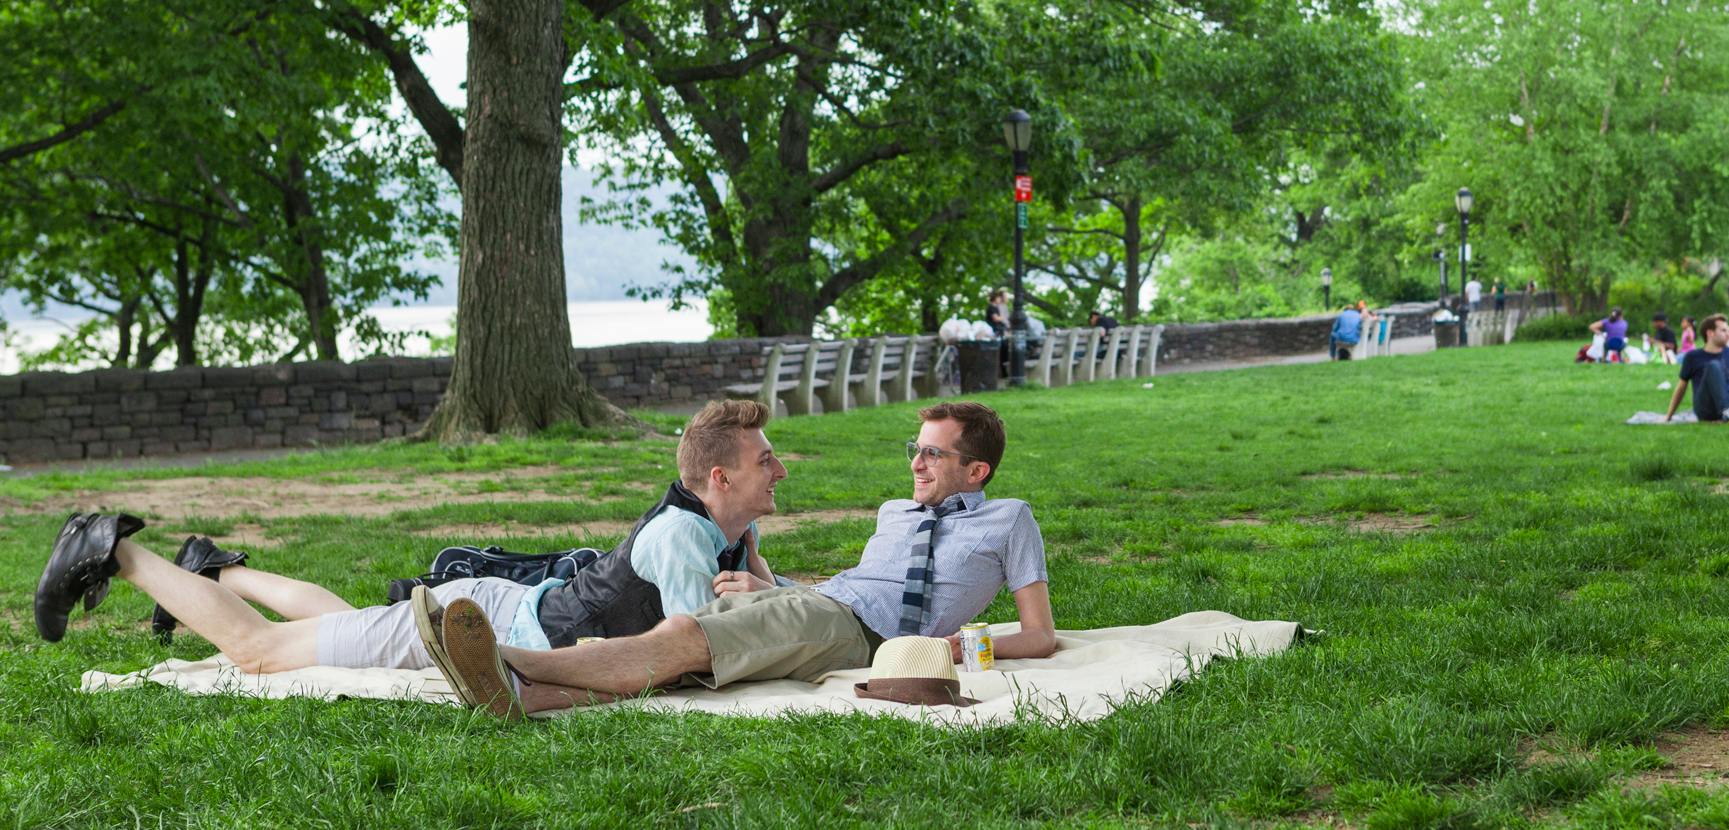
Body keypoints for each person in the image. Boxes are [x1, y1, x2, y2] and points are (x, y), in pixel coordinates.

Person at [33, 399, 785, 671]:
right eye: (764, 459)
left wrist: (761, 578)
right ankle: (114, 551)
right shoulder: (685, 539)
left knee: (346, 626)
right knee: (259, 652)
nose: (779, 468)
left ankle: (214, 570)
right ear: (718, 478)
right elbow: (703, 648)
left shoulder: (717, 531)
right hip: (478, 623)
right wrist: (764, 596)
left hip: (490, 612)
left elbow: (748, 617)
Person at [428, 401, 1056, 717]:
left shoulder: (1010, 520)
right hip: (823, 606)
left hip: (865, 635)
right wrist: (769, 586)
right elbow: (852, 587)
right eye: (914, 449)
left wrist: (960, 647)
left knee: (688, 632)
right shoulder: (896, 511)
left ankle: (507, 661)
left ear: (977, 471)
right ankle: (521, 694)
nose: (915, 464)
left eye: (933, 456)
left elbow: (1040, 634)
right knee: (703, 647)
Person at [1663, 314, 1729, 423]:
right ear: (1710, 333)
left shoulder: (1728, 352)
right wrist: (1668, 417)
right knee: (1714, 365)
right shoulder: (1693, 356)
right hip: (1706, 408)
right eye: (1723, 331)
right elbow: (1681, 387)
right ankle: (1726, 411)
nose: (1728, 334)